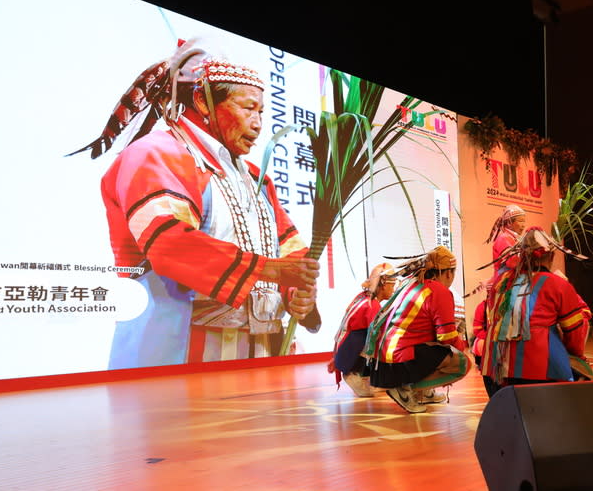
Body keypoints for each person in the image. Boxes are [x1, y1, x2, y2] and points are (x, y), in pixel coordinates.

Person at [72, 39, 321, 368]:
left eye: (261, 111)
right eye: (248, 108)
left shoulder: (255, 178)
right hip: (180, 354)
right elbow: (169, 244)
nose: (259, 123)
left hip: (260, 352)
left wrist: (299, 292)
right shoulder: (156, 154)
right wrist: (272, 271)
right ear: (203, 101)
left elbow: (290, 247)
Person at [480, 227, 593, 397]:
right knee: (583, 372)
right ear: (551, 256)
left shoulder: (500, 282)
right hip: (538, 371)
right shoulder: (558, 284)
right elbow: (575, 331)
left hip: (492, 372)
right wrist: (576, 357)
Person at [363, 246, 471, 413]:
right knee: (462, 363)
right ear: (449, 273)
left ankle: (423, 392)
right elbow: (447, 338)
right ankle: (406, 389)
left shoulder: (411, 284)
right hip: (398, 361)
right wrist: (461, 342)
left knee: (433, 348)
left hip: (382, 361)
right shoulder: (439, 291)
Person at [329, 263, 397, 397]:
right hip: (349, 350)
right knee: (387, 341)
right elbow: (374, 336)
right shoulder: (371, 305)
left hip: (345, 348)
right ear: (383, 284)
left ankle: (366, 375)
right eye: (392, 285)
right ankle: (355, 373)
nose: (393, 289)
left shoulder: (365, 298)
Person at [486, 204, 526, 275]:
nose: (523, 225)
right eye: (520, 221)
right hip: (503, 280)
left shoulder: (517, 238)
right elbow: (512, 262)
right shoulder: (503, 238)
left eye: (524, 221)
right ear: (509, 223)